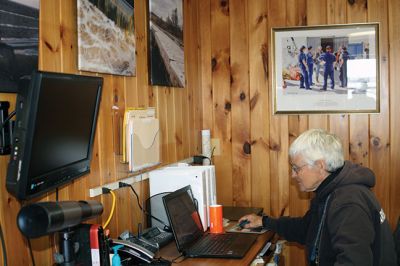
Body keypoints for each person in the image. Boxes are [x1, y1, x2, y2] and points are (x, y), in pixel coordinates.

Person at [239, 129, 397, 266]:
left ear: (320, 166)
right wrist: (264, 222)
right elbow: (308, 229)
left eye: (296, 168)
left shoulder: (348, 203)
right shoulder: (329, 190)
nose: (293, 175)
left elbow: (354, 262)